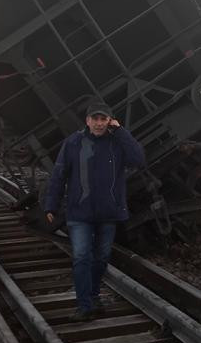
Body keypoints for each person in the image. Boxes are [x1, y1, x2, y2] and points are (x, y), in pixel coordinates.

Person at [44, 101, 145, 320]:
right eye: (95, 119)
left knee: (102, 257)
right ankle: (85, 305)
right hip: (79, 212)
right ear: (87, 120)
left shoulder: (117, 142)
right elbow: (59, 174)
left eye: (103, 119)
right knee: (81, 256)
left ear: (110, 121)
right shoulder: (73, 143)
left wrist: (121, 131)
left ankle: (93, 295)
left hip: (108, 212)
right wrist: (51, 204)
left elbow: (138, 159)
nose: (99, 124)